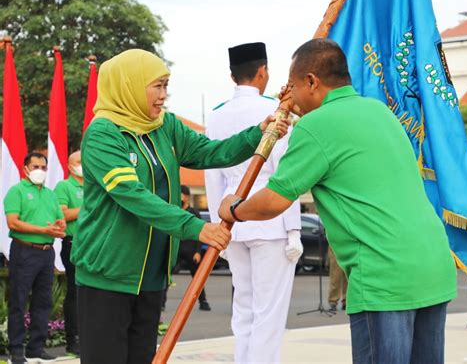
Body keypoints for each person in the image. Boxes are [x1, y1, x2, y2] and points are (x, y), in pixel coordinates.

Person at [219, 39, 458, 364]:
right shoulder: (379, 111)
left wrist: (233, 208)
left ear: (312, 82)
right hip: (433, 266)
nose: (290, 95)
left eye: (292, 86)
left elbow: (274, 200)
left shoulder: (317, 127)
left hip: (384, 275)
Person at [70, 48, 289, 364]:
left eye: (166, 85)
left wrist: (258, 133)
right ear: (129, 85)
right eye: (156, 86)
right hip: (108, 274)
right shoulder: (104, 133)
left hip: (151, 274)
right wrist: (198, 228)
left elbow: (215, 153)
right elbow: (134, 196)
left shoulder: (165, 126)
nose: (164, 95)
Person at [205, 42, 303, 364]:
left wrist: (217, 225)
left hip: (230, 217)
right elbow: (285, 174)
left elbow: (212, 172)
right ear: (262, 72)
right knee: (269, 314)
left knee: (244, 309)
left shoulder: (217, 115)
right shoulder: (272, 111)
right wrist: (294, 229)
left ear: (233, 75)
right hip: (269, 215)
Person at [3, 152, 66, 364]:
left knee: (43, 301)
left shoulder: (50, 194)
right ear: (25, 168)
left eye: (43, 167)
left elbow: (60, 219)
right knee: (19, 301)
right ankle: (16, 350)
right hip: (24, 250)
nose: (40, 171)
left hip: (46, 252)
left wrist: (59, 227)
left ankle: (36, 349)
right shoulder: (17, 191)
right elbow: (13, 222)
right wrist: (43, 230)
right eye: (36, 166)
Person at [54, 150, 83, 356]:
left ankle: (90, 336)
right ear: (70, 165)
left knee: (93, 293)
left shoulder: (94, 184)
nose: (84, 164)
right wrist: (89, 208)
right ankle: (73, 340)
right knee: (75, 291)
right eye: (79, 161)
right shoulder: (64, 186)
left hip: (96, 245)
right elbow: (62, 212)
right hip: (74, 243)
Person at [178, 185, 211, 311]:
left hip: (191, 252)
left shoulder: (194, 213)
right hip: (177, 251)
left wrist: (198, 252)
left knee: (197, 279)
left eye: (181, 194)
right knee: (166, 277)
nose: (179, 197)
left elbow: (200, 233)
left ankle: (203, 302)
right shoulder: (176, 210)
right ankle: (161, 303)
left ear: (186, 197)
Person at [327, 246, 347, 312]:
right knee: (335, 276)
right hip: (335, 244)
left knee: (348, 276)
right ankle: (333, 301)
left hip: (349, 243)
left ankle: (346, 301)